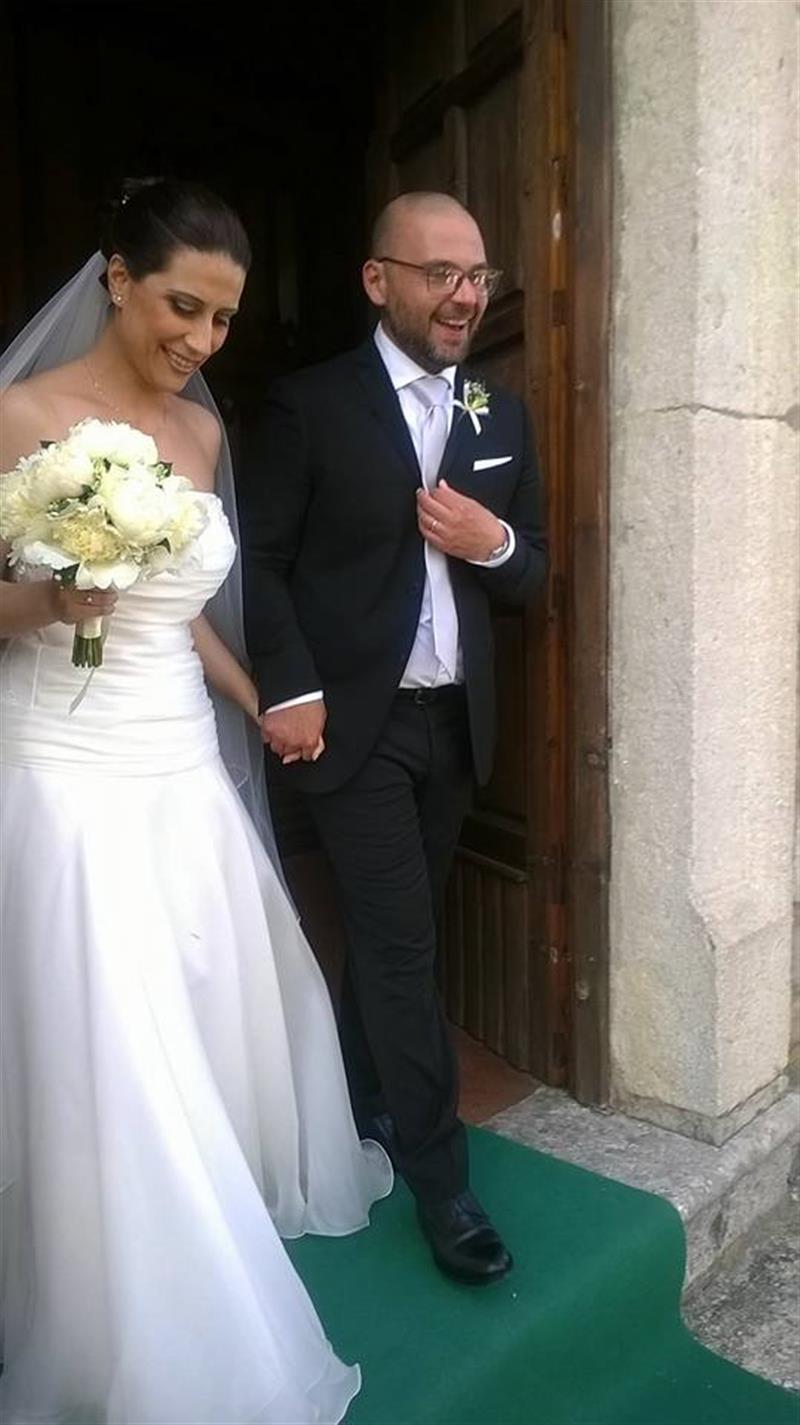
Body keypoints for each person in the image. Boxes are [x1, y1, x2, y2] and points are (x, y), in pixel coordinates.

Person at [0, 178, 392, 1425]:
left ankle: (213, 1187)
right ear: (118, 278)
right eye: (183, 306)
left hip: (177, 750)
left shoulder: (203, 438)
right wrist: (51, 599)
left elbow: (183, 617)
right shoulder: (20, 415)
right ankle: (136, 1290)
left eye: (222, 320)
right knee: (109, 1021)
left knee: (201, 984)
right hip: (64, 761)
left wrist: (257, 695)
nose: (201, 340)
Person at [242, 191, 547, 1286]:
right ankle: (440, 1180)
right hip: (355, 732)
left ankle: (360, 1097)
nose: (465, 296)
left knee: (390, 939)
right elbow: (258, 560)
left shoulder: (499, 416)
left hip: (452, 728)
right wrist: (289, 688)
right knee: (402, 946)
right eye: (440, 274)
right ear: (378, 281)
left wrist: (492, 537)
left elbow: (532, 572)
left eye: (477, 277)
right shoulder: (308, 405)